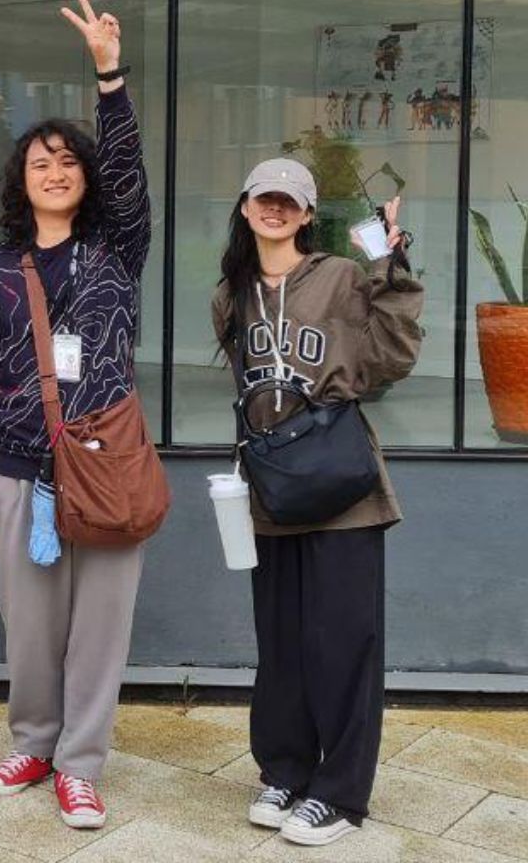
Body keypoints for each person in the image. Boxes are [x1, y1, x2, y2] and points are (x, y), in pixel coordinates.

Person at [0, 0, 150, 831]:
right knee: (28, 628)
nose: (56, 172)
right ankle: (32, 741)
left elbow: (131, 179)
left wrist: (110, 77)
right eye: (39, 163)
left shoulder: (117, 251)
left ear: (86, 178)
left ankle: (82, 764)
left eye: (69, 162)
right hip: (21, 471)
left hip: (106, 470)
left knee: (100, 629)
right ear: (19, 180)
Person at [213, 161, 422, 847]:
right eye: (263, 199)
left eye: (289, 202)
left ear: (306, 215)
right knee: (281, 644)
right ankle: (285, 771)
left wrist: (392, 263)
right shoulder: (232, 295)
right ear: (246, 208)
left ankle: (339, 794)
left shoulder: (338, 275)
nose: (275, 210)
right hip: (273, 486)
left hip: (341, 484)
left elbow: (390, 356)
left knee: (344, 643)